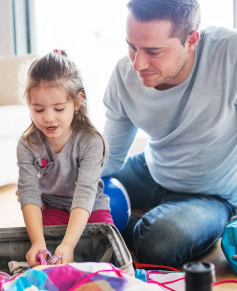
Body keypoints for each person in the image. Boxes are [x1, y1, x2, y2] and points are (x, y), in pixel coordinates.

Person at [102, 0, 237, 267]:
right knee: (71, 194)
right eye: (132, 46)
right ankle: (139, 219)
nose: (138, 63)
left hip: (212, 193)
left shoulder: (229, 54)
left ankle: (145, 223)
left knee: (161, 243)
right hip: (152, 168)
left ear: (191, 41)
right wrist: (60, 179)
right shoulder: (123, 75)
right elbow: (110, 157)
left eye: (153, 51)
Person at [17, 50, 113, 266]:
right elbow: (28, 192)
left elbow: (85, 192)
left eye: (58, 108)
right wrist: (37, 242)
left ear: (77, 102)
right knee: (44, 256)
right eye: (38, 109)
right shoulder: (27, 144)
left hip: (91, 208)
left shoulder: (91, 141)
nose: (49, 118)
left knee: (106, 254)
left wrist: (68, 244)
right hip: (52, 208)